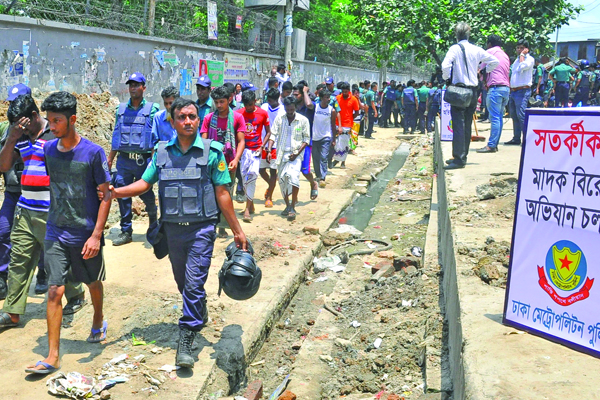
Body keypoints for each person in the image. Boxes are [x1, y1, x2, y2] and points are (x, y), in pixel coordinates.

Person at [110, 97, 247, 368]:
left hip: (202, 229)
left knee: (194, 283)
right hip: (172, 231)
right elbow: (143, 184)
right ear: (172, 122)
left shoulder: (213, 152)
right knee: (184, 284)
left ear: (199, 120)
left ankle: (186, 339)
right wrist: (116, 192)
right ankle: (198, 309)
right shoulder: (161, 152)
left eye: (192, 117)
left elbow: (222, 193)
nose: (187, 121)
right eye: (182, 117)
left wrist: (237, 231)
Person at [26, 91, 112, 374]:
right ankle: (52, 355)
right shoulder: (48, 149)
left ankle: (98, 317)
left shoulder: (93, 153)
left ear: (72, 119)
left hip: (85, 233)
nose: (52, 126)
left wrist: (96, 236)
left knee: (92, 282)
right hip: (56, 232)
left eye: (58, 120)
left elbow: (105, 196)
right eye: (49, 120)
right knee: (54, 290)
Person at [0, 94, 86, 331]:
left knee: (57, 261)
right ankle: (12, 311)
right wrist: (11, 139)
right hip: (26, 209)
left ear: (34, 117)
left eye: (20, 122)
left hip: (54, 212)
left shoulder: (55, 133)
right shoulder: (18, 137)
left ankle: (76, 296)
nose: (17, 127)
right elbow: (4, 166)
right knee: (19, 259)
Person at [108, 72, 159, 246]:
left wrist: (154, 160)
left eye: (137, 85)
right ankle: (126, 231)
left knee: (146, 193)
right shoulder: (120, 110)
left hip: (143, 161)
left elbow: (154, 136)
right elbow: (116, 136)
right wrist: (109, 160)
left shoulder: (153, 109)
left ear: (144, 88)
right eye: (131, 85)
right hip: (124, 160)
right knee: (122, 193)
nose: (133, 88)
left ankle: (153, 224)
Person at [441, 22, 499, 169]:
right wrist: (482, 71)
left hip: (459, 91)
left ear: (456, 35)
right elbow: (494, 62)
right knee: (466, 124)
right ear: (468, 34)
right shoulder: (476, 49)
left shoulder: (454, 48)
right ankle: (461, 156)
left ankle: (459, 159)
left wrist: (447, 79)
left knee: (459, 125)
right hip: (473, 91)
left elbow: (445, 66)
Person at [200, 86, 246, 238]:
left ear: (229, 100)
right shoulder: (208, 118)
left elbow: (241, 141)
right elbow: (204, 141)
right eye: (216, 102)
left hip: (228, 163)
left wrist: (236, 159)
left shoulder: (237, 118)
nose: (219, 105)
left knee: (226, 193)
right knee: (210, 193)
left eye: (222, 102)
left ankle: (223, 226)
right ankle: (212, 224)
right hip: (212, 163)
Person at [269, 96, 310, 221]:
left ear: (295, 107)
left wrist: (297, 153)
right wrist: (269, 149)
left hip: (295, 155)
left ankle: (293, 206)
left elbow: (306, 139)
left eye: (292, 109)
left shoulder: (303, 120)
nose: (290, 111)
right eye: (288, 109)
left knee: (293, 177)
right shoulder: (280, 119)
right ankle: (287, 205)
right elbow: (273, 134)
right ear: (285, 108)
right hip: (281, 154)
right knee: (282, 181)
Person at [236, 89, 270, 222]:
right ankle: (251, 204)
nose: (249, 107)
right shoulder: (238, 114)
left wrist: (263, 147)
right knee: (244, 178)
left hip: (256, 150)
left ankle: (246, 209)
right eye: (246, 105)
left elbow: (268, 132)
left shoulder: (263, 114)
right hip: (243, 150)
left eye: (250, 104)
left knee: (253, 175)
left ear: (255, 102)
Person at [476, 34, 510, 153]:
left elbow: (480, 70)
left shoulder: (489, 52)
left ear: (489, 43)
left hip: (495, 88)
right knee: (499, 118)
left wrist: (481, 78)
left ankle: (491, 145)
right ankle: (494, 144)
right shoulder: (504, 55)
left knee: (494, 118)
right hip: (505, 88)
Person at [505, 39, 534, 146]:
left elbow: (523, 67)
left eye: (521, 48)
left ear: (526, 49)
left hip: (522, 90)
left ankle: (527, 138)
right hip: (513, 91)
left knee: (521, 115)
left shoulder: (529, 59)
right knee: (514, 115)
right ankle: (516, 138)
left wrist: (522, 55)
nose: (519, 50)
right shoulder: (516, 60)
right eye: (517, 48)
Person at [293, 83, 319, 200]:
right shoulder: (292, 106)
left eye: (297, 95)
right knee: (293, 171)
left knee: (305, 170)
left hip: (307, 142)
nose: (294, 97)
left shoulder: (310, 105)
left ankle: (313, 183)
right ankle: (293, 197)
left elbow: (308, 104)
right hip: (293, 142)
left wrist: (305, 92)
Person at [260, 88, 283, 208]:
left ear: (277, 98)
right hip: (263, 142)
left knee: (273, 171)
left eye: (271, 101)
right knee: (261, 170)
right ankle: (271, 185)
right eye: (268, 100)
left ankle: (269, 196)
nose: (269, 102)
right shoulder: (263, 107)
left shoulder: (283, 110)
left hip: (276, 144)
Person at [312, 89, 337, 187]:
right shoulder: (315, 108)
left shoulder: (331, 110)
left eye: (329, 97)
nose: (328, 99)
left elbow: (333, 125)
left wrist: (333, 139)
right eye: (326, 97)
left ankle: (323, 177)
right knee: (315, 157)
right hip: (314, 136)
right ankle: (318, 175)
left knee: (323, 157)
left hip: (326, 137)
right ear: (321, 98)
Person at [333, 82, 360, 169]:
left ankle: (343, 162)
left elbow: (357, 112)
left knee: (345, 143)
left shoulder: (354, 100)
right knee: (336, 143)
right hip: (337, 123)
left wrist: (350, 118)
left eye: (346, 91)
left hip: (347, 124)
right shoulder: (337, 98)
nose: (344, 93)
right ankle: (336, 159)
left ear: (349, 91)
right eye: (343, 91)